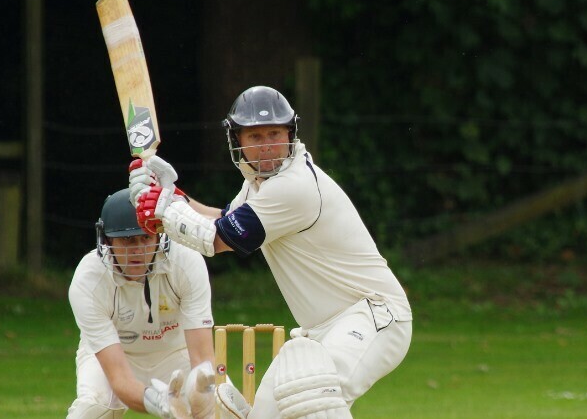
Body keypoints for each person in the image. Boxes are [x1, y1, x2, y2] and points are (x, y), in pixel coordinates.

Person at [129, 86, 413, 419]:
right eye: (255, 136)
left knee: (312, 397)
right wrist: (174, 198)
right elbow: (224, 220)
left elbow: (216, 240)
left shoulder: (294, 186)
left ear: (290, 134)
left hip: (372, 316)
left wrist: (165, 210)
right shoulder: (258, 184)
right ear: (238, 140)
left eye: (274, 134)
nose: (266, 146)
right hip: (319, 332)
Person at [67, 188, 218, 419]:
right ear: (106, 239)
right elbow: (120, 379)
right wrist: (159, 402)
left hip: (175, 353)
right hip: (115, 354)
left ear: (160, 234)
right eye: (127, 239)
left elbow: (203, 358)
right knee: (93, 410)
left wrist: (202, 395)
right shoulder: (89, 280)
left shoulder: (185, 261)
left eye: (145, 237)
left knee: (217, 408)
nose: (137, 249)